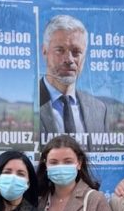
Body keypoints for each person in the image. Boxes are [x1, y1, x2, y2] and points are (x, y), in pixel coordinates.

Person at [40, 15, 109, 150]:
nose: (69, 59)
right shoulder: (32, 103)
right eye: (60, 50)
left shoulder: (99, 109)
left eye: (76, 52)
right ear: (44, 51)